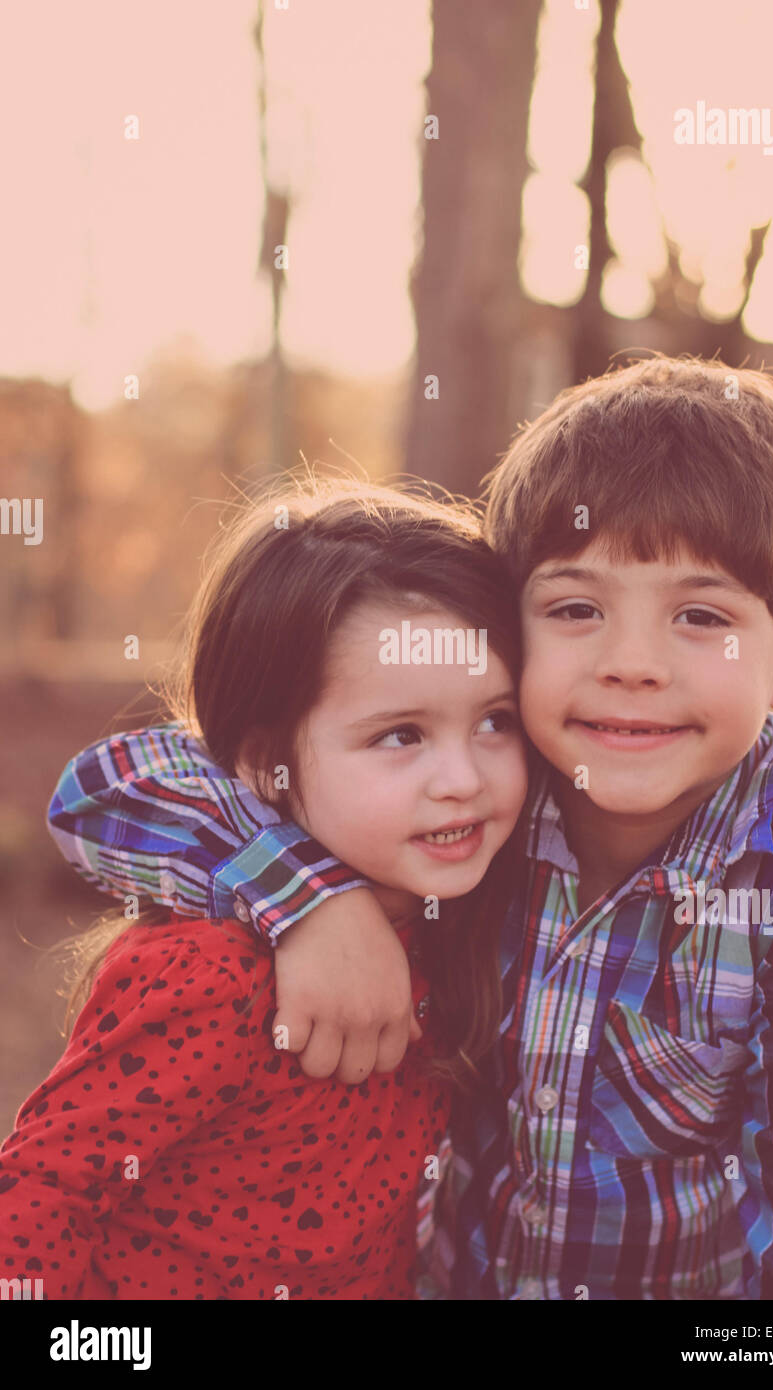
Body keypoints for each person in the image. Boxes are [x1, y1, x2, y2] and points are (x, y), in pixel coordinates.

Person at [46, 357, 773, 1299]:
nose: (632, 663)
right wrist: (316, 905)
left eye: (700, 615)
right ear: (508, 635)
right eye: (575, 609)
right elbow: (108, 788)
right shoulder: (492, 801)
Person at [0, 480, 529, 1299]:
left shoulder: (463, 919)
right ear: (262, 761)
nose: (463, 778)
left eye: (496, 720)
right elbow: (37, 1202)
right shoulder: (211, 977)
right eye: (401, 735)